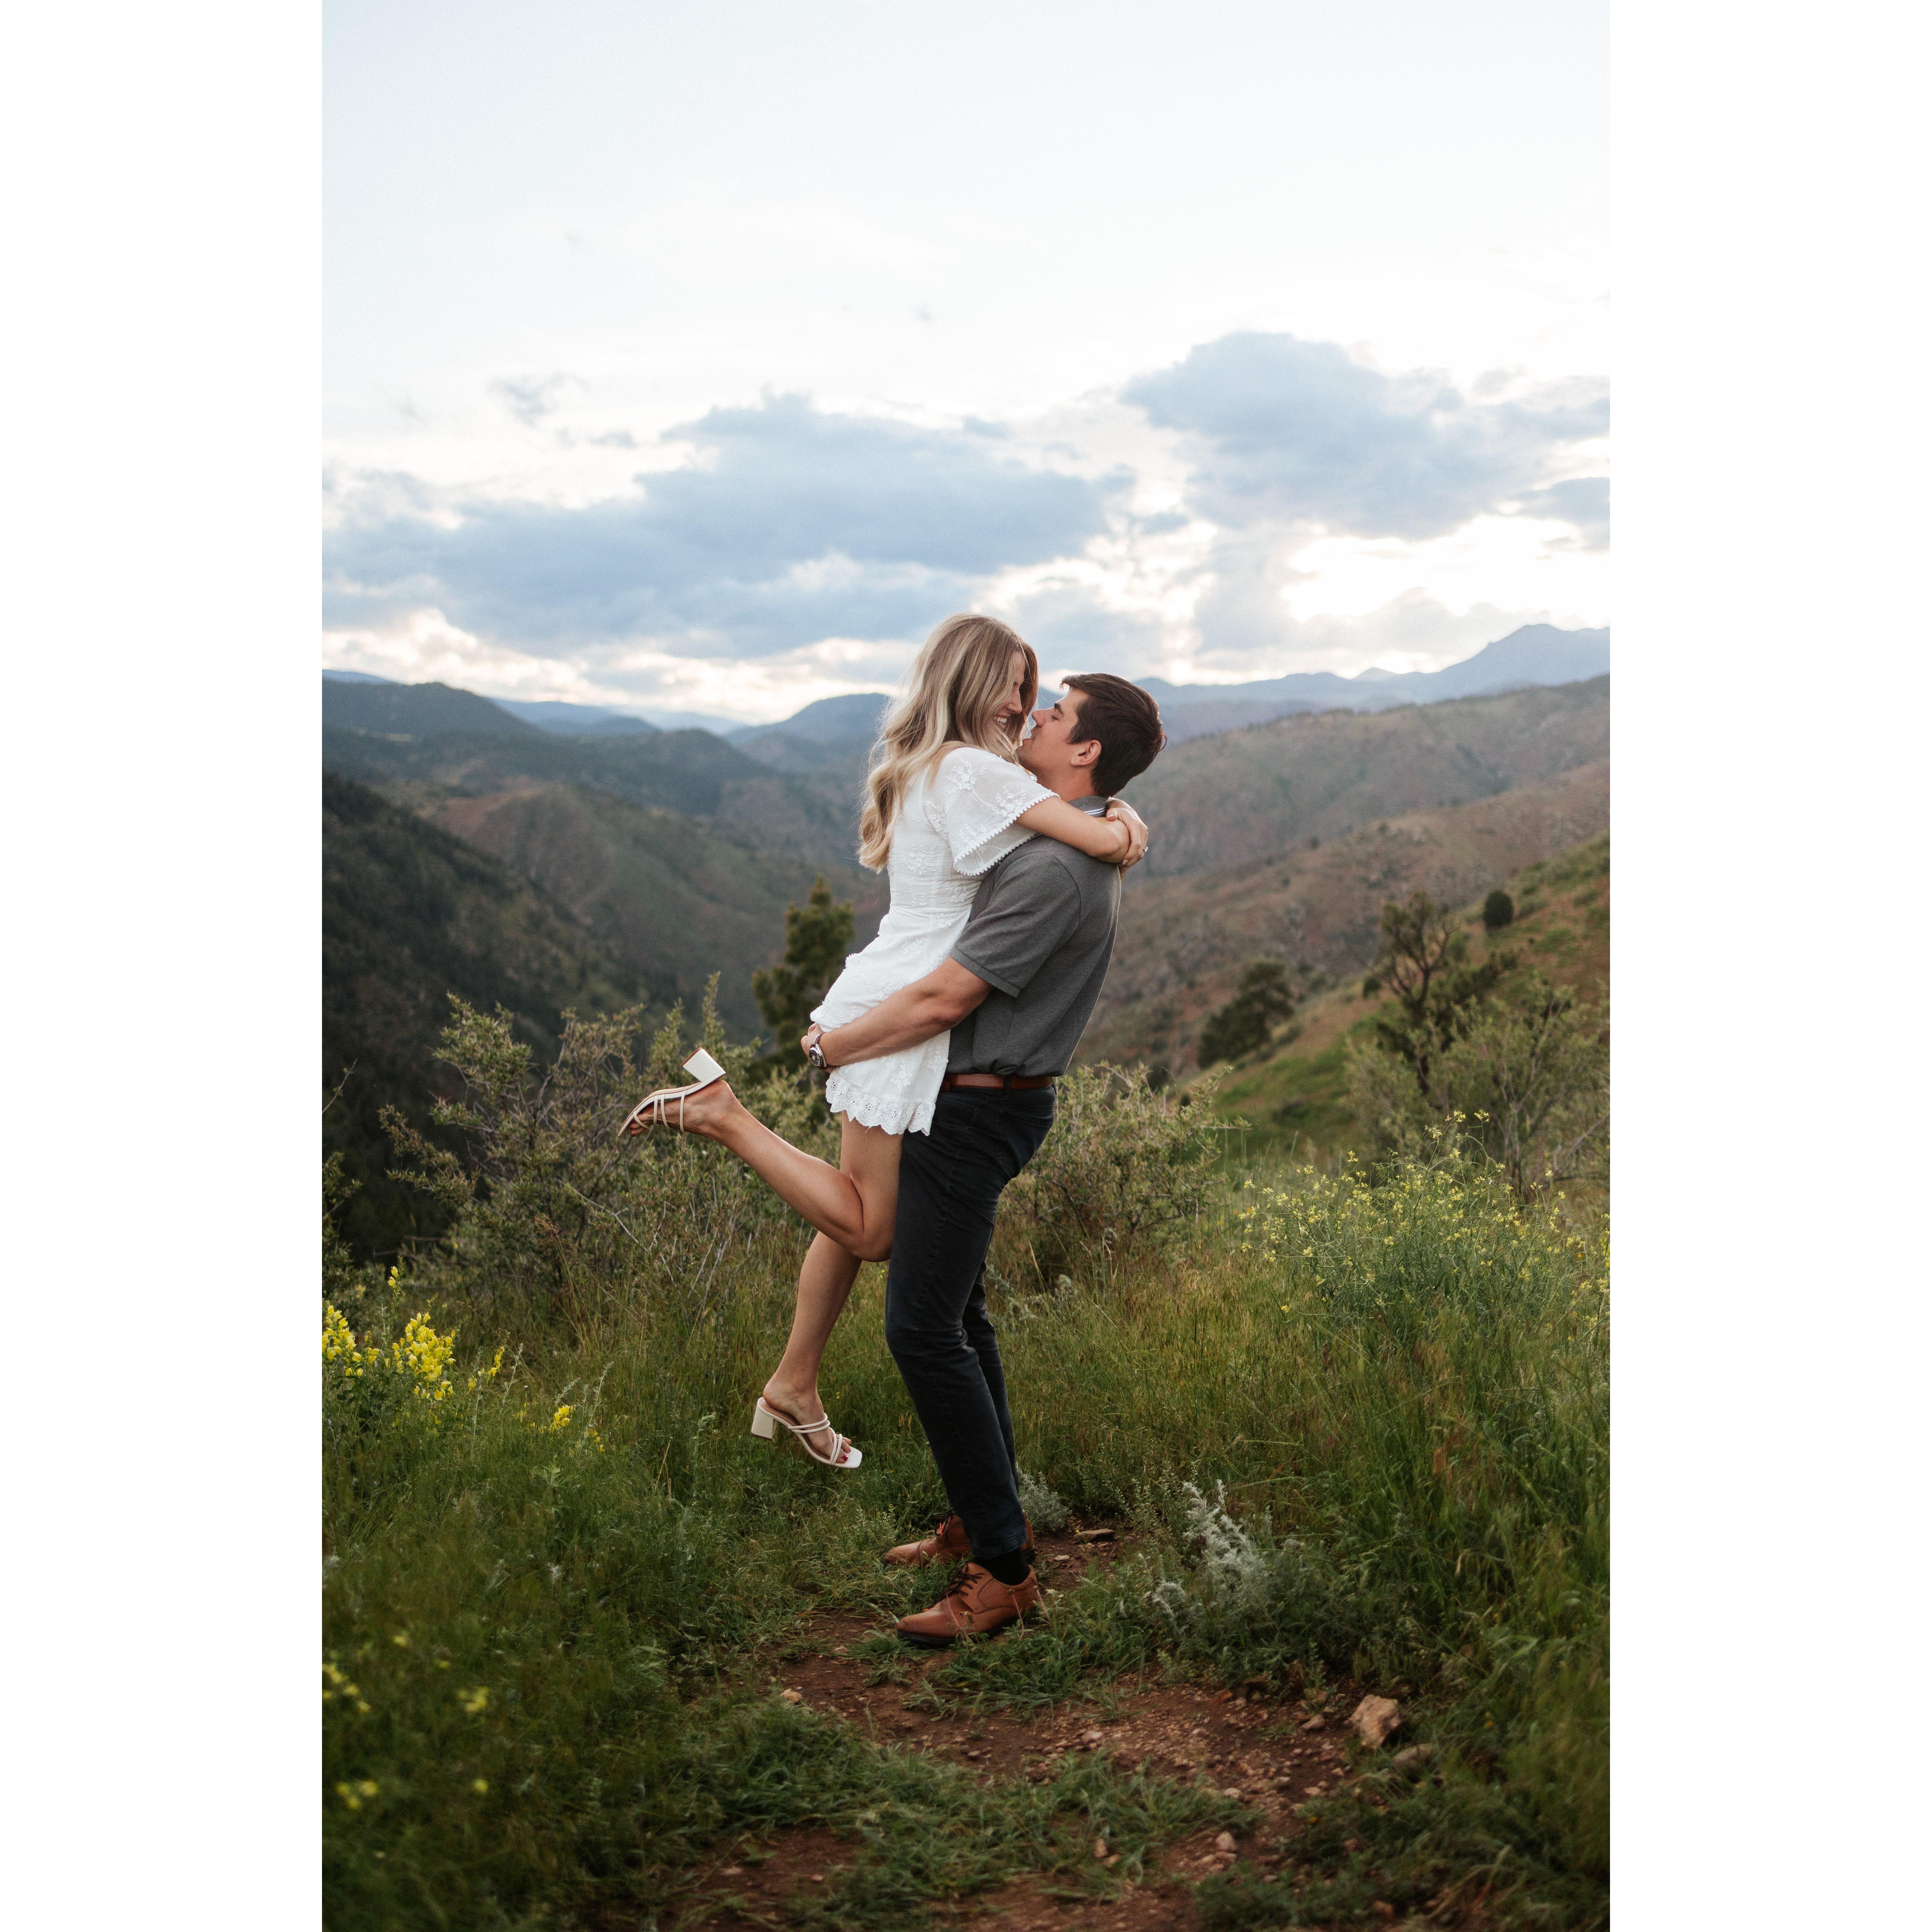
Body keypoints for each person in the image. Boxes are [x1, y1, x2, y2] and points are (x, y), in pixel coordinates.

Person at [622, 614, 1150, 1474]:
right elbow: (1094, 839)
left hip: (890, 979)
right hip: (910, 1003)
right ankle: (722, 1115)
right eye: (1020, 688)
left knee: (852, 1211)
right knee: (872, 1230)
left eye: (1040, 694)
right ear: (977, 686)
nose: (1028, 708)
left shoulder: (934, 765)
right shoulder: (976, 770)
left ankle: (795, 1386)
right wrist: (1126, 822)